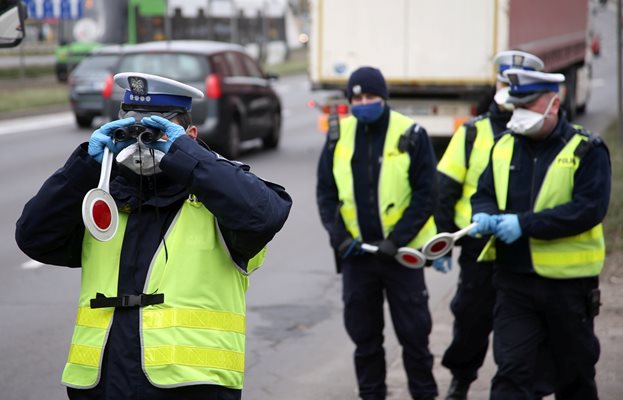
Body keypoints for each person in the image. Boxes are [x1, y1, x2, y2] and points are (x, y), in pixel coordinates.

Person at [15, 72, 292, 400]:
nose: (139, 142)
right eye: (130, 130)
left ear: (188, 135)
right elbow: (34, 237)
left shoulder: (217, 200)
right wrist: (84, 167)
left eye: (154, 131)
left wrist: (185, 155)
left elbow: (265, 214)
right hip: (102, 385)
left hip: (190, 388)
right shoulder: (105, 197)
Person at [470, 68, 611, 399]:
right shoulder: (503, 146)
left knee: (573, 376)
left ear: (554, 103)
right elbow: (484, 192)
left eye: (527, 107)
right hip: (513, 281)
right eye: (515, 107)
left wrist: (524, 224)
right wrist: (484, 214)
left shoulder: (586, 150)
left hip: (568, 288)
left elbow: (588, 210)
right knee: (511, 374)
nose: (519, 116)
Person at [316, 66, 441, 400]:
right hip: (357, 257)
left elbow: (427, 194)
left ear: (383, 98)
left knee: (415, 338)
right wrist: (339, 237)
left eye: (370, 96)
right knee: (365, 340)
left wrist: (396, 240)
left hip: (400, 255)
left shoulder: (411, 134)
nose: (363, 103)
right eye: (356, 98)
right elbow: (326, 194)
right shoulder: (338, 136)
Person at [435, 50, 544, 400]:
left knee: (525, 327)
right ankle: (461, 381)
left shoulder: (545, 133)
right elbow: (445, 188)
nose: (508, 90)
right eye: (503, 81)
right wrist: (446, 238)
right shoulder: (472, 133)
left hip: (528, 245)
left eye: (516, 84)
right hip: (478, 247)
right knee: (470, 319)